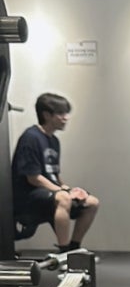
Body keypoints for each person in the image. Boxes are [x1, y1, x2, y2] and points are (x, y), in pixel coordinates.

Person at [11, 92, 100, 252]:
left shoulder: (54, 141)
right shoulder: (30, 137)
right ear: (47, 115)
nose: (66, 118)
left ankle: (74, 247)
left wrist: (68, 188)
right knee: (64, 198)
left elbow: (54, 174)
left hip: (49, 192)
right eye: (61, 114)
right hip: (27, 196)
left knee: (92, 202)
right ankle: (64, 251)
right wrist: (62, 191)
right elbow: (33, 178)